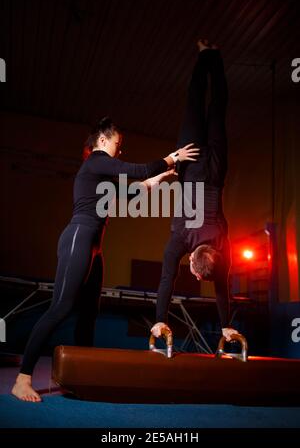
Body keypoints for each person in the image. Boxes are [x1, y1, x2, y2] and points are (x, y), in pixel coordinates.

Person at [12, 117, 199, 401]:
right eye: (117, 145)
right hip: (78, 238)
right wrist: (172, 158)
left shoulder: (101, 176)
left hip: (94, 247)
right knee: (60, 308)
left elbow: (133, 192)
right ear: (102, 141)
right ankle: (22, 379)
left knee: (89, 314)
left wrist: (160, 178)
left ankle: (80, 377)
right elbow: (136, 170)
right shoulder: (96, 161)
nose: (119, 151)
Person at [151, 40, 238, 343]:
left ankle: (215, 56)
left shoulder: (221, 247)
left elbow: (223, 287)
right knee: (194, 102)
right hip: (189, 163)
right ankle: (204, 55)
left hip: (215, 168)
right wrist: (159, 321)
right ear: (195, 270)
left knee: (217, 109)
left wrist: (227, 324)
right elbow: (166, 281)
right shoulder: (180, 238)